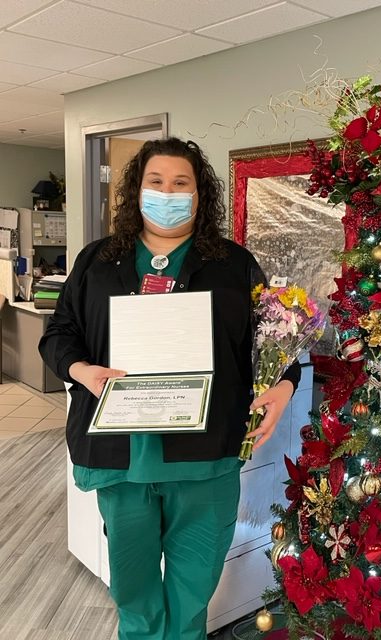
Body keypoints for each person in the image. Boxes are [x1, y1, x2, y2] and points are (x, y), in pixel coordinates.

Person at [39, 137, 301, 640]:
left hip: (206, 455)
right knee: (134, 592)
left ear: (200, 195)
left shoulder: (232, 264)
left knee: (192, 588)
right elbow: (59, 334)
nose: (168, 192)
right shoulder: (97, 262)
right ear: (136, 190)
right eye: (155, 182)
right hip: (121, 456)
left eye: (181, 183)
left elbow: (276, 337)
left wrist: (284, 385)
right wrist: (83, 372)